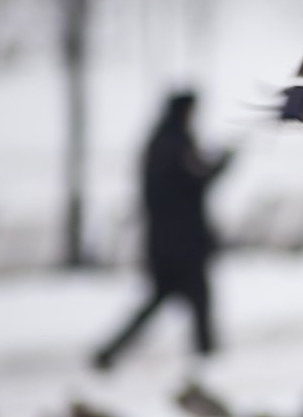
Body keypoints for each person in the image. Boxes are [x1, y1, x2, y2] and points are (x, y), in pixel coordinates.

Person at [92, 92, 232, 371]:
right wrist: (220, 166)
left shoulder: (161, 142)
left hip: (165, 241)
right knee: (197, 301)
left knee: (169, 301)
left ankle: (111, 352)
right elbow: (193, 184)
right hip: (182, 243)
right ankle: (208, 360)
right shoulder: (175, 144)